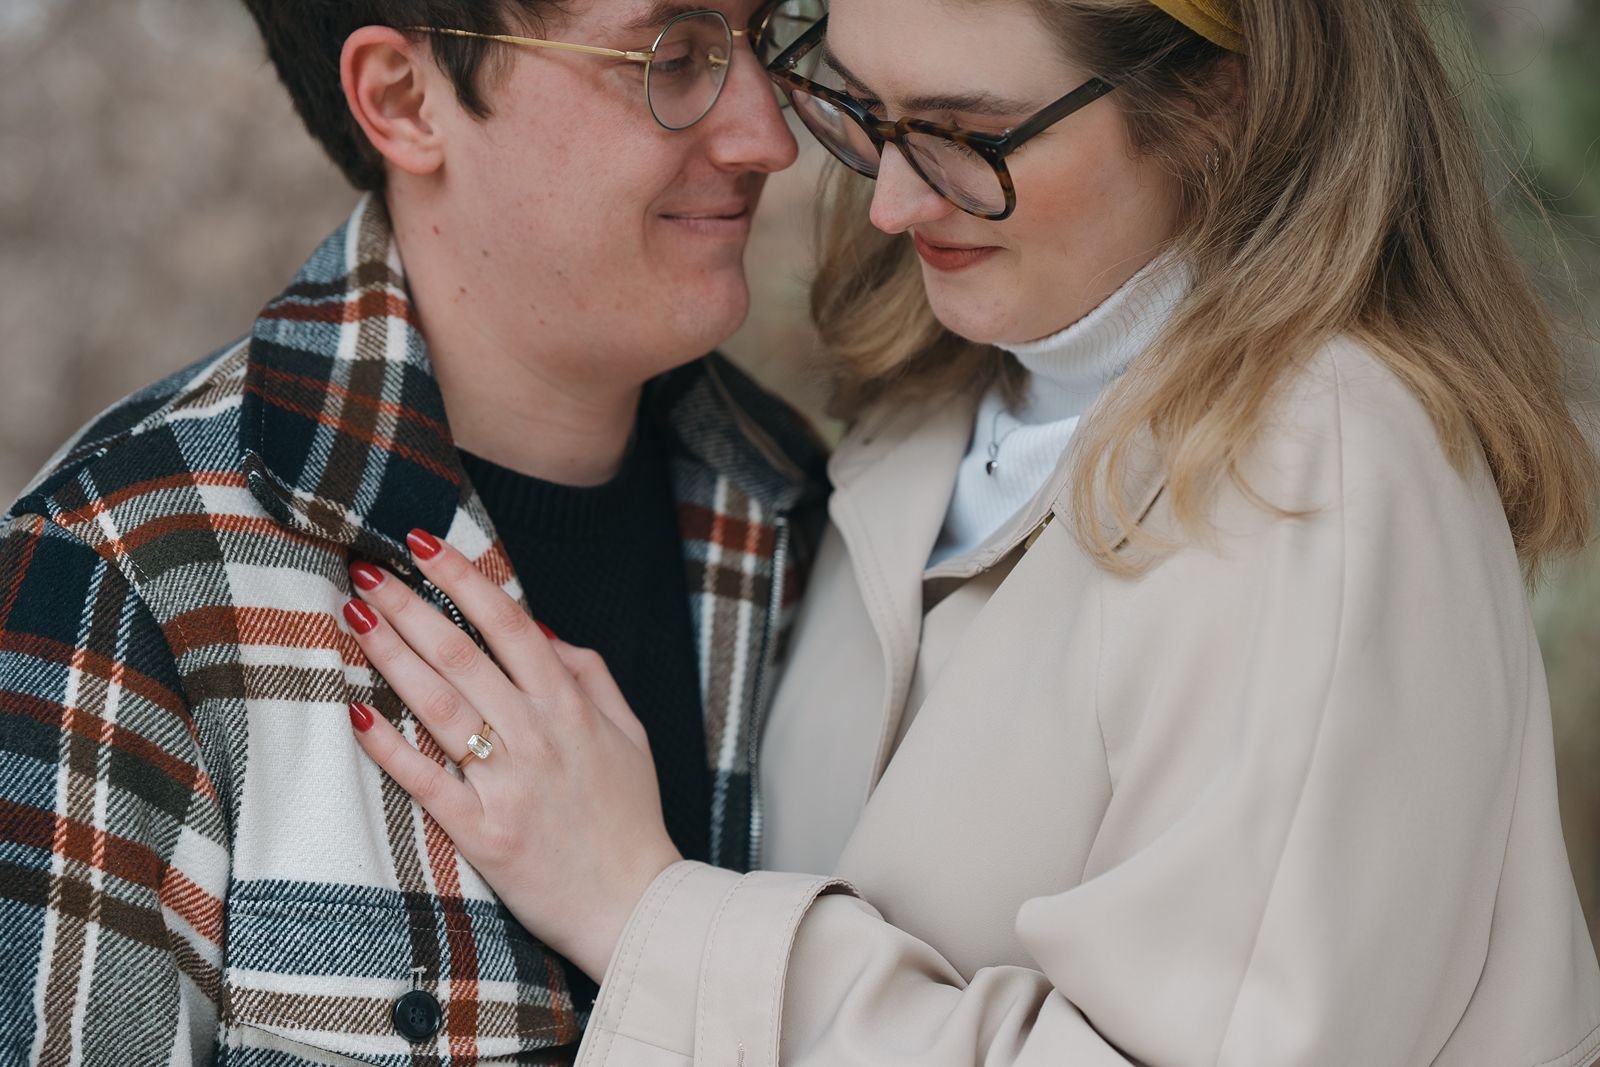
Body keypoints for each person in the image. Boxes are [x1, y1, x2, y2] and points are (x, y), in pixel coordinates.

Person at [340, 0, 1600, 1063]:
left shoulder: (1318, 470)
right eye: (861, 109)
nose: (889, 200)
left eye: (963, 135)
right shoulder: (918, 420)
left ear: (1221, 101)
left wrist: (644, 906)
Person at [0, 0, 828, 1060]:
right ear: (404, 100)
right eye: (671, 56)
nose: (768, 134)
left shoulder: (810, 513)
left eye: (762, 36)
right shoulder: (124, 569)